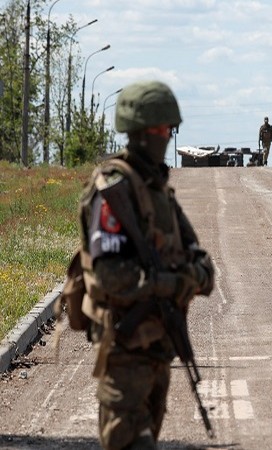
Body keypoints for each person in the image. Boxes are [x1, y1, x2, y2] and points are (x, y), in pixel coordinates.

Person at [78, 80, 215, 449]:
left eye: (167, 129)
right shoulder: (113, 189)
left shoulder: (158, 189)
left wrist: (193, 277)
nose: (164, 137)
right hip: (124, 350)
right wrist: (169, 284)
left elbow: (201, 262)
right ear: (137, 133)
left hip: (159, 348)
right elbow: (109, 276)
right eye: (157, 129)